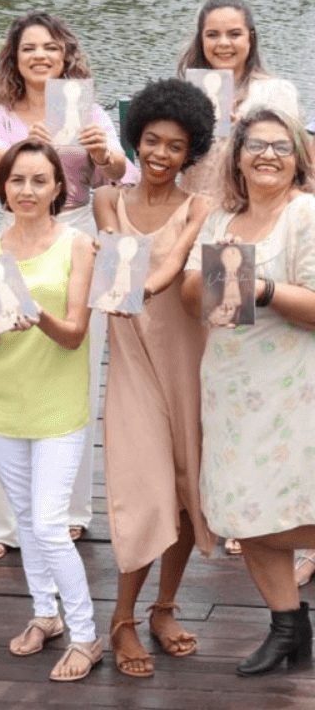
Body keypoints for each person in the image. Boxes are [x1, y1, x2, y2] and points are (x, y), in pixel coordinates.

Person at [0, 12, 128, 560]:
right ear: (14, 58)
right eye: (29, 48)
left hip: (80, 232)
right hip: (15, 235)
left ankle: (69, 510)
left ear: (65, 56)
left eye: (50, 48)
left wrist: (104, 151)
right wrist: (24, 149)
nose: (40, 56)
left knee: (76, 364)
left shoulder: (87, 110)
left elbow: (120, 175)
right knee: (6, 359)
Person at [180, 106, 315, 676]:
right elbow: (194, 299)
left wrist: (261, 290)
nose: (267, 155)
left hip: (295, 391)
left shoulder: (305, 215)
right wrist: (199, 285)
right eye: (255, 144)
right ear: (236, 157)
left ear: (299, 160)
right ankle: (288, 626)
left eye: (281, 147)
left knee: (293, 508)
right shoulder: (222, 224)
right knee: (244, 509)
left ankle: (291, 625)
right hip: (232, 389)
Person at [92, 79, 219, 678]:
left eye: (176, 145)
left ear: (192, 152)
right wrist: (128, 285)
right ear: (134, 139)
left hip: (189, 361)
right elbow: (121, 264)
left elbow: (169, 266)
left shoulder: (200, 207)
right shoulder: (106, 202)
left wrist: (138, 285)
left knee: (187, 489)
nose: (161, 155)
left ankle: (165, 608)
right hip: (134, 362)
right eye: (151, 141)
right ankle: (122, 618)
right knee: (143, 489)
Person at [0, 140, 100, 681]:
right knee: (26, 520)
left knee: (50, 524)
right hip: (4, 399)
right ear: (3, 188)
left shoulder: (78, 244)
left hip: (57, 403)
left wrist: (35, 313)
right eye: (17, 180)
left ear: (57, 189)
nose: (27, 190)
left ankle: (87, 634)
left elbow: (73, 335)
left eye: (39, 180)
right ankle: (44, 614)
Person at [177, 0, 302, 198]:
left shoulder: (277, 91)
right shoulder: (186, 94)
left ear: (250, 38)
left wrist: (243, 132)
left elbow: (292, 161)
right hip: (192, 207)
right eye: (212, 35)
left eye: (234, 34)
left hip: (252, 210)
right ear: (201, 40)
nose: (224, 43)